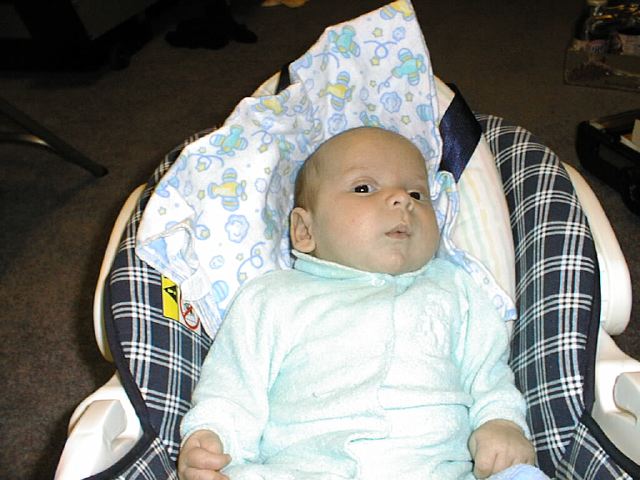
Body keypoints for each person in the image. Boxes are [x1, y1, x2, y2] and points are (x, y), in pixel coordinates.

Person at [178, 127, 548, 480]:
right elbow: (234, 387)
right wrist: (213, 438)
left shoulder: (454, 289)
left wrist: (501, 422)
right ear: (305, 230)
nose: (402, 199)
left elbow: (489, 372)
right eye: (363, 188)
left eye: (417, 194)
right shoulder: (272, 298)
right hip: (302, 469)